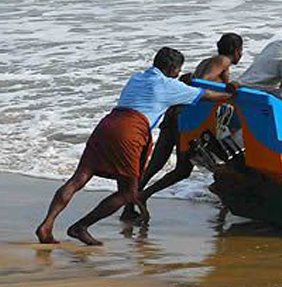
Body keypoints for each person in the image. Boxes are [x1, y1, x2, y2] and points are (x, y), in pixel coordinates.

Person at [35, 47, 235, 246]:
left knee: (78, 179)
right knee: (127, 193)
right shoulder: (169, 86)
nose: (178, 74)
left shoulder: (137, 77)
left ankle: (47, 225)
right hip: (130, 132)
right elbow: (210, 95)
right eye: (178, 69)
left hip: (107, 124)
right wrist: (230, 92)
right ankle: (80, 227)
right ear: (172, 68)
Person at [120, 33, 244, 222]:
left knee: (155, 165)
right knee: (183, 170)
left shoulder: (211, 61)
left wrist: (228, 87)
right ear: (237, 51)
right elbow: (201, 81)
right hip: (185, 121)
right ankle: (142, 196)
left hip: (175, 116)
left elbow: (211, 82)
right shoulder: (223, 61)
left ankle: (129, 207)